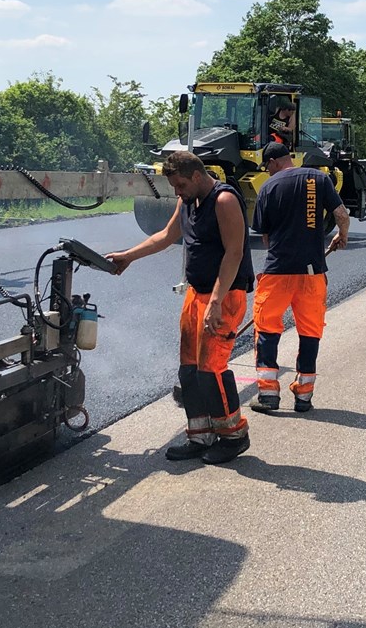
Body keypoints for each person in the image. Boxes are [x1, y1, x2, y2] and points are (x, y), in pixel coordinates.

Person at [105, 150, 254, 464]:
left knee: (211, 369)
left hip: (224, 296)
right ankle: (200, 435)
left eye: (181, 185)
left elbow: (234, 253)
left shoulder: (224, 200)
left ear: (197, 176)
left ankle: (233, 436)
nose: (177, 191)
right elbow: (165, 236)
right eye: (174, 186)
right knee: (190, 370)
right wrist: (127, 256)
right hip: (196, 294)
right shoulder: (188, 201)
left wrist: (215, 302)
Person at [250, 142, 349, 413]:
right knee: (310, 332)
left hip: (278, 272)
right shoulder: (320, 178)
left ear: (272, 162)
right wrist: (342, 235)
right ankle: (304, 397)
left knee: (267, 328)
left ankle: (268, 394)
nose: (267, 172)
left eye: (266, 167)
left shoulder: (268, 188)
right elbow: (341, 214)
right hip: (312, 273)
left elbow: (266, 236)